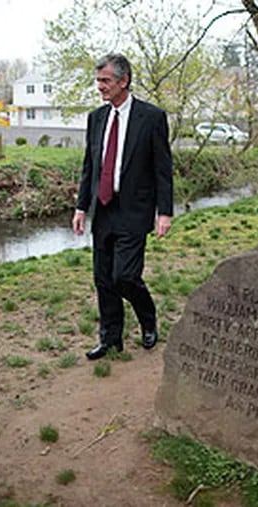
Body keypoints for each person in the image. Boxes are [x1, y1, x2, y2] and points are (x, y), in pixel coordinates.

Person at [72, 53, 173, 360]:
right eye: (98, 80)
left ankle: (147, 317)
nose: (100, 87)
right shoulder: (96, 118)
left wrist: (164, 212)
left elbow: (162, 169)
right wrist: (81, 208)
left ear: (123, 80)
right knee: (103, 278)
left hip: (134, 210)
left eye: (106, 81)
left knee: (124, 276)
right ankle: (110, 338)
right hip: (103, 208)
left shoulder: (152, 117)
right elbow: (89, 166)